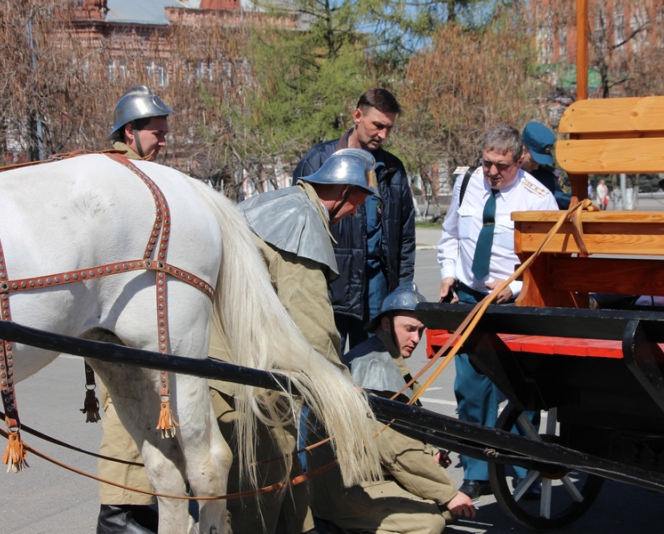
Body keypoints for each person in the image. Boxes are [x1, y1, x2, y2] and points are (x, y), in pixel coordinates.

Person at [207, 148, 379, 533]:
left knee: (281, 479)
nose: (356, 213)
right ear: (344, 192)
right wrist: (338, 381)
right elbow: (312, 322)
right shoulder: (300, 222)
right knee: (259, 487)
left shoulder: (277, 202)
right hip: (249, 375)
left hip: (228, 361)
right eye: (359, 203)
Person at [437, 123, 558, 501]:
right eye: (487, 162)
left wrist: (516, 287)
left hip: (518, 303)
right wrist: (448, 274)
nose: (491, 172)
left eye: (500, 166)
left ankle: (526, 468)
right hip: (471, 298)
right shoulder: (468, 182)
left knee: (521, 389)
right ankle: (477, 470)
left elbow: (549, 265)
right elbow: (452, 234)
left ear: (519, 160)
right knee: (471, 388)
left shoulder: (539, 198)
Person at [309, 282, 476, 533]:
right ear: (386, 324)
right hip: (345, 486)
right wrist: (449, 493)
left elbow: (404, 428)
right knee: (431, 522)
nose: (416, 339)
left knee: (439, 508)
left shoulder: (384, 355)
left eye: (420, 330)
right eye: (409, 329)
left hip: (366, 474)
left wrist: (429, 452)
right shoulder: (376, 368)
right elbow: (396, 449)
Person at [96, 84, 174, 534]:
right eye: (156, 133)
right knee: (126, 426)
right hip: (119, 325)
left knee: (149, 432)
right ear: (131, 131)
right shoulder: (116, 178)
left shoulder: (144, 177)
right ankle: (121, 521)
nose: (163, 140)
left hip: (150, 323)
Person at [292, 88, 415, 353]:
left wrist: (402, 298)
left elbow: (405, 239)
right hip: (328, 295)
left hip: (377, 300)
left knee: (374, 378)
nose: (382, 135)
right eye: (377, 125)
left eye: (388, 128)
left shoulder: (393, 171)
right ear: (357, 116)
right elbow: (297, 232)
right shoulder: (318, 162)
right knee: (324, 375)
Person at [107, 84, 173, 161]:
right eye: (157, 134)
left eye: (164, 135)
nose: (163, 143)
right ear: (130, 131)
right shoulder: (109, 169)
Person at [521, 121, 570, 209]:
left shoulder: (549, 177)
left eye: (540, 162)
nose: (536, 167)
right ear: (522, 148)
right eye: (533, 160)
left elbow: (565, 200)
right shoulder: (502, 169)